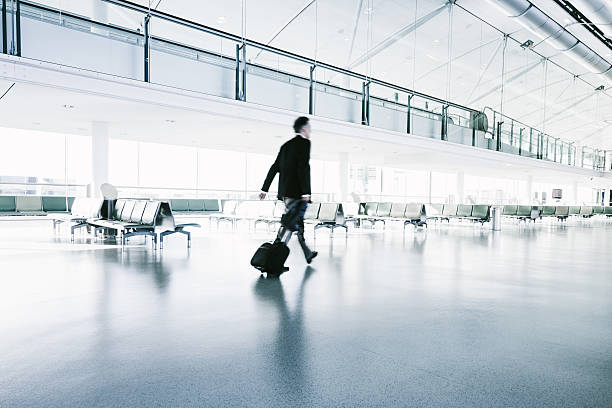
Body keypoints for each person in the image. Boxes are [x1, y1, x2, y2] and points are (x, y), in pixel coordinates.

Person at [259, 116, 318, 264]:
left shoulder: (285, 146)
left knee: (296, 223)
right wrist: (305, 192)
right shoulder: (304, 143)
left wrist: (264, 189)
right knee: (289, 225)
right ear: (303, 128)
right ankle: (273, 258)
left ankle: (307, 253)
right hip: (296, 193)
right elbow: (302, 167)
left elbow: (274, 167)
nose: (310, 130)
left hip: (285, 193)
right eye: (309, 127)